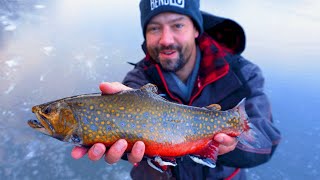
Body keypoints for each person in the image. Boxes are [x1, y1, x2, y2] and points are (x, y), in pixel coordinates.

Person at [71, 0, 281, 179]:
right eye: (154, 28)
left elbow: (266, 142)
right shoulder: (135, 84)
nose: (166, 39)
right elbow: (126, 141)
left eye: (177, 25)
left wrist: (229, 146)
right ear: (145, 35)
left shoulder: (242, 74)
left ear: (196, 29)